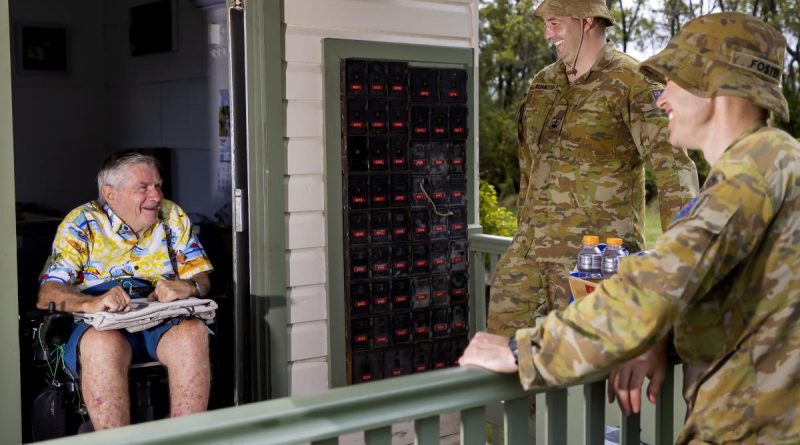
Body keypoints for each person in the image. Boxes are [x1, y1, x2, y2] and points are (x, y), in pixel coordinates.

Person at [462, 12, 800, 443]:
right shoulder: (772, 165)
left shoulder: (759, 168)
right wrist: (661, 337)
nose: (662, 99)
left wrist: (522, 350)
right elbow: (728, 296)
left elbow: (661, 279)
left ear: (717, 90)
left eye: (673, 81)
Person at [488, 0, 698, 337]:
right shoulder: (544, 83)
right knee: (501, 354)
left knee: (589, 375)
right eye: (544, 23)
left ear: (587, 21)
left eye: (554, 23)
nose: (547, 33)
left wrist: (682, 263)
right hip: (529, 252)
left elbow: (673, 169)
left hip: (594, 260)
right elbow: (530, 163)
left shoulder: (633, 81)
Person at [38, 151, 214, 430]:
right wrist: (90, 304)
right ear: (111, 194)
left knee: (193, 333)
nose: (155, 196)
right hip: (101, 318)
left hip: (158, 310)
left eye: (157, 186)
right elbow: (48, 294)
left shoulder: (172, 216)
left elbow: (202, 279)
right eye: (143, 188)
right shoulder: (81, 223)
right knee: (102, 344)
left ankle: (187, 436)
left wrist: (189, 285)